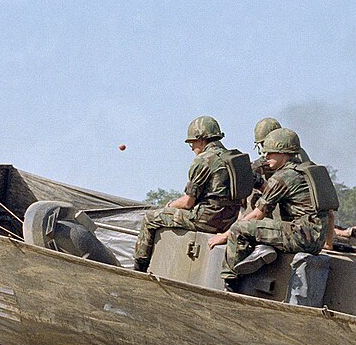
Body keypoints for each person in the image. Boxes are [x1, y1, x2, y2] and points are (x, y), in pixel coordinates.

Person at [208, 128, 332, 287]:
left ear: (283, 152)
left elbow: (257, 215)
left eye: (270, 152)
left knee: (240, 228)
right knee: (261, 228)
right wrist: (327, 243)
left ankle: (230, 282)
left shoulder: (283, 176)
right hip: (315, 238)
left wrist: (226, 234)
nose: (266, 157)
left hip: (301, 236)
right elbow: (329, 213)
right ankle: (263, 249)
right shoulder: (307, 171)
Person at [133, 116, 241, 272]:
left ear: (201, 140)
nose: (191, 147)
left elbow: (188, 202)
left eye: (192, 143)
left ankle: (139, 269)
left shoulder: (204, 160)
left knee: (150, 219)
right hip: (229, 221)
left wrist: (169, 205)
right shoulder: (235, 159)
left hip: (207, 220)